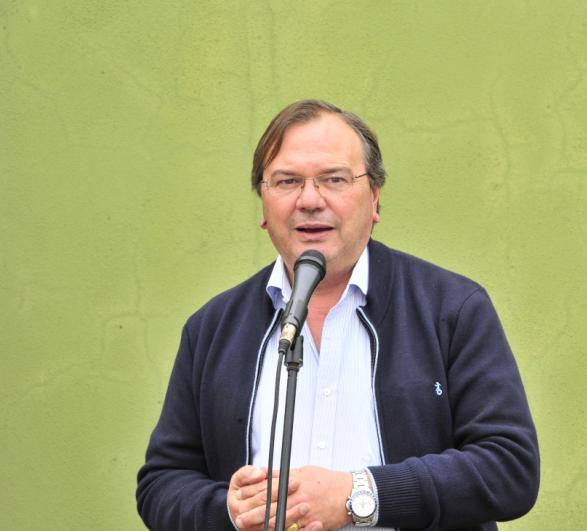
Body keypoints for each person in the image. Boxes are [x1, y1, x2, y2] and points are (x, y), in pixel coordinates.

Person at [136, 99, 539, 531]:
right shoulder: (213, 329)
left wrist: (358, 494)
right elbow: (161, 484)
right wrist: (229, 511)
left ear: (375, 200)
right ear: (263, 206)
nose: (310, 200)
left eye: (334, 179)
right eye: (287, 181)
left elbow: (509, 467)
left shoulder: (451, 309)